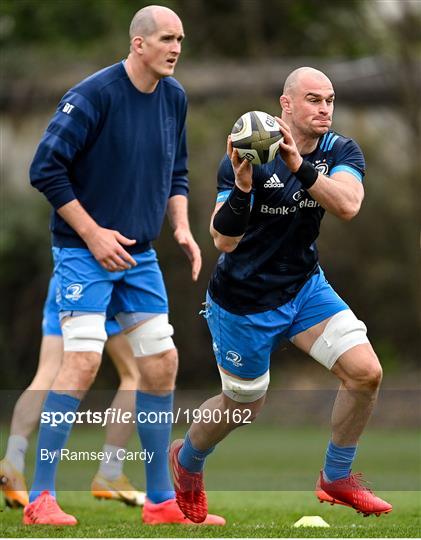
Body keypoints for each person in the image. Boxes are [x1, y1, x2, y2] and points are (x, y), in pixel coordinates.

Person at [23, 5, 224, 526]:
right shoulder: (93, 95)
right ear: (138, 44)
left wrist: (180, 225)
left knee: (161, 364)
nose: (176, 47)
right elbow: (44, 169)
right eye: (165, 38)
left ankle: (161, 502)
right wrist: (92, 234)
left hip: (141, 257)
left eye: (180, 38)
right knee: (83, 362)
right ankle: (41, 498)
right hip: (81, 253)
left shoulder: (174, 97)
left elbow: (176, 171)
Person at [169, 67, 393, 522]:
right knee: (245, 406)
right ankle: (186, 461)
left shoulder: (340, 150)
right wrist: (245, 188)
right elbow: (223, 241)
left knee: (366, 373)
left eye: (329, 99)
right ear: (285, 104)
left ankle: (336, 477)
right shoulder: (246, 154)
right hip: (243, 302)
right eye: (314, 99)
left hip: (305, 287)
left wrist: (299, 167)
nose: (325, 108)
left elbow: (348, 205)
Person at [0, 276, 145, 509]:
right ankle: (110, 472)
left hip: (64, 277)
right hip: (102, 281)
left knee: (46, 373)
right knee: (135, 375)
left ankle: (13, 460)